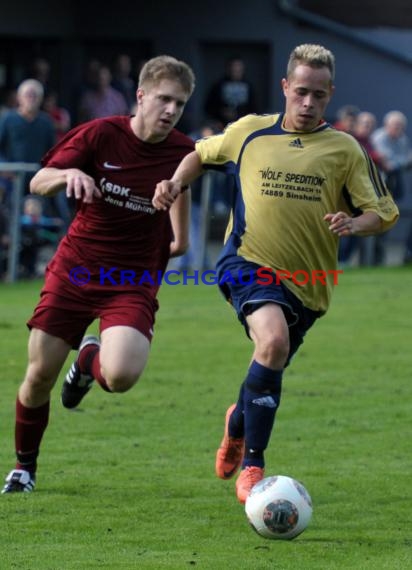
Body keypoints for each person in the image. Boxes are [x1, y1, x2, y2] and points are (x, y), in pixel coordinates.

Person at [152, 44, 399, 504]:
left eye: (319, 96)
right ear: (285, 87)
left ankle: (237, 424)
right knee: (273, 342)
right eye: (301, 92)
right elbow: (198, 154)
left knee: (271, 359)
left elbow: (384, 212)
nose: (308, 103)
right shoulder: (249, 131)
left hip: (309, 287)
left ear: (330, 95)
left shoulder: (345, 149)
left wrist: (355, 223)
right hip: (246, 261)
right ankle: (254, 467)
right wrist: (175, 182)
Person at [1, 55, 196, 493]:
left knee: (123, 375)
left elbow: (183, 181)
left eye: (179, 104)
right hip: (75, 271)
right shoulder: (100, 133)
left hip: (132, 279)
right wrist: (69, 173)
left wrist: (180, 239)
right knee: (38, 378)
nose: (170, 111)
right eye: (164, 99)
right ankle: (24, 467)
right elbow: (38, 180)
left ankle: (89, 360)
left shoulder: (183, 150)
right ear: (141, 95)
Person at [204, 56, 257, 130]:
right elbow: (208, 107)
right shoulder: (218, 86)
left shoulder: (248, 87)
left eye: (239, 68)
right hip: (221, 128)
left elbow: (254, 108)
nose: (236, 71)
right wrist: (221, 112)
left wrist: (239, 114)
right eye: (234, 68)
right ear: (228, 69)